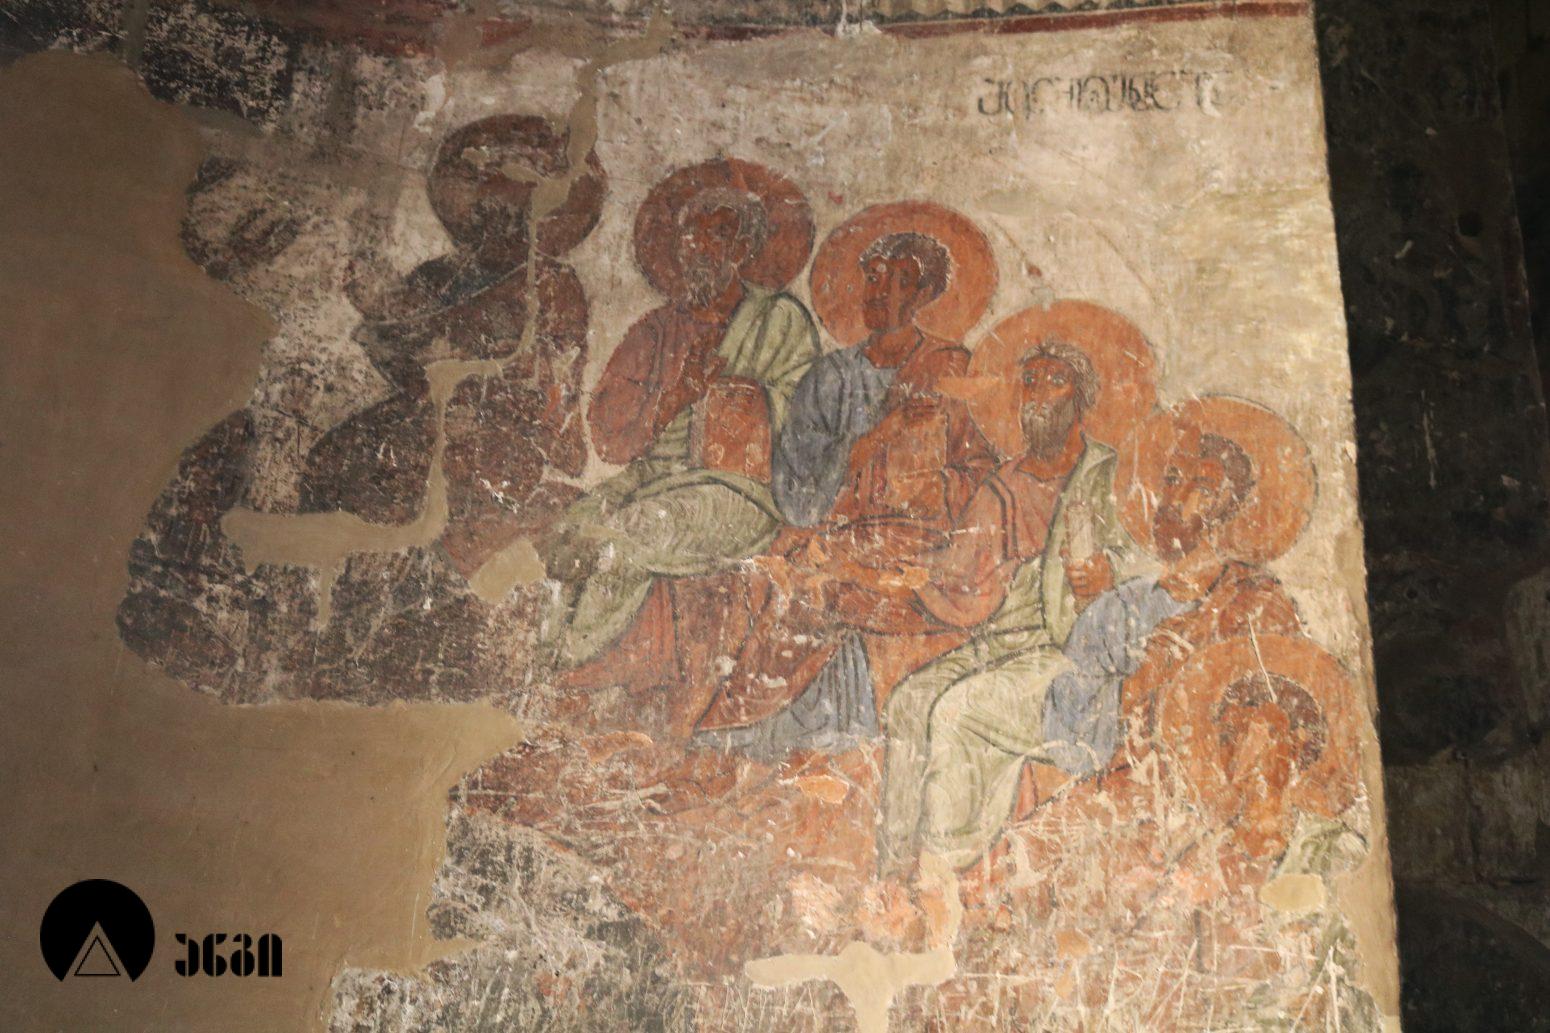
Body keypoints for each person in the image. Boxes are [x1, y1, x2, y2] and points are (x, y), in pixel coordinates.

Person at [690, 229, 996, 756]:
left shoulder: (951, 371)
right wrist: (880, 437)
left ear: (925, 295)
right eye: (873, 279)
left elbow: (983, 471)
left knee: (819, 582)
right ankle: (762, 732)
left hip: (923, 537)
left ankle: (776, 731)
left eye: (899, 282)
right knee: (794, 576)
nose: (880, 293)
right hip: (841, 528)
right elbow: (797, 491)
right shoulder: (830, 377)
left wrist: (932, 486)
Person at [876, 338, 1144, 876]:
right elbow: (957, 576)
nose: (1038, 394)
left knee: (955, 712)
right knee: (908, 701)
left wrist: (1112, 573)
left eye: (1056, 381)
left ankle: (941, 872)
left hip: (1073, 649)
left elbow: (1150, 555)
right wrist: (906, 574)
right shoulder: (1003, 485)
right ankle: (894, 870)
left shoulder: (1109, 474)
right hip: (1005, 644)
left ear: (1082, 398)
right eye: (1030, 381)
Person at [539, 167, 820, 672]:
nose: (700, 248)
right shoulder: (656, 331)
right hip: (652, 478)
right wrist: (678, 395)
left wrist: (736, 399)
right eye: (691, 236)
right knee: (568, 533)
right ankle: (539, 661)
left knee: (624, 540)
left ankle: (570, 674)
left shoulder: (779, 321)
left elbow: (807, 421)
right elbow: (612, 443)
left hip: (737, 490)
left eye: (718, 235)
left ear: (742, 249)